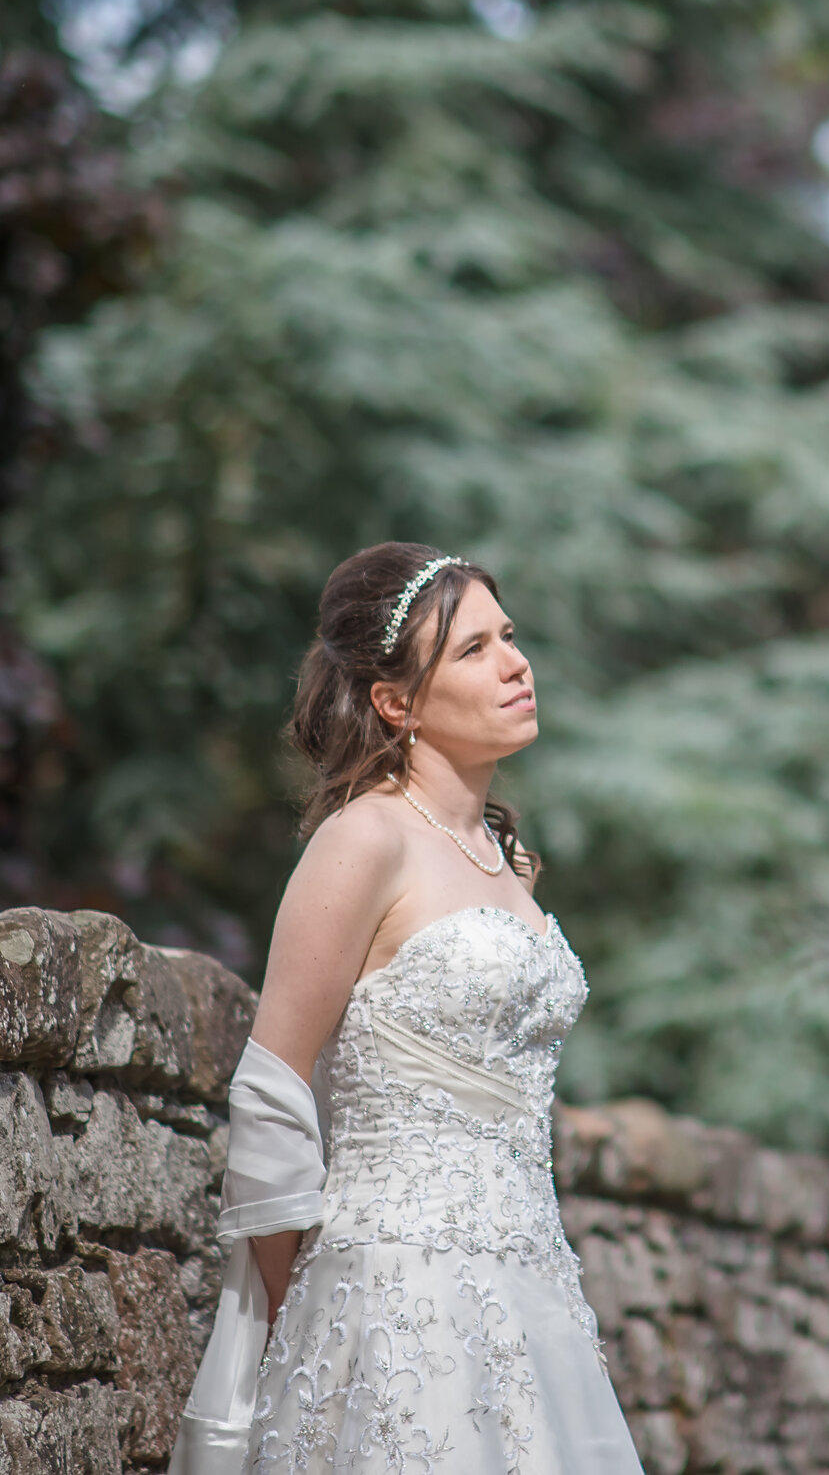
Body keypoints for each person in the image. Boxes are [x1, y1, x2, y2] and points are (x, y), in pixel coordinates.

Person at [173, 543, 641, 1474]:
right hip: (388, 1300)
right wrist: (306, 1297)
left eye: (509, 636)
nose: (515, 663)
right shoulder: (365, 839)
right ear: (396, 701)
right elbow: (270, 1090)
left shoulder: (507, 862)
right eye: (472, 650)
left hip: (532, 1293)